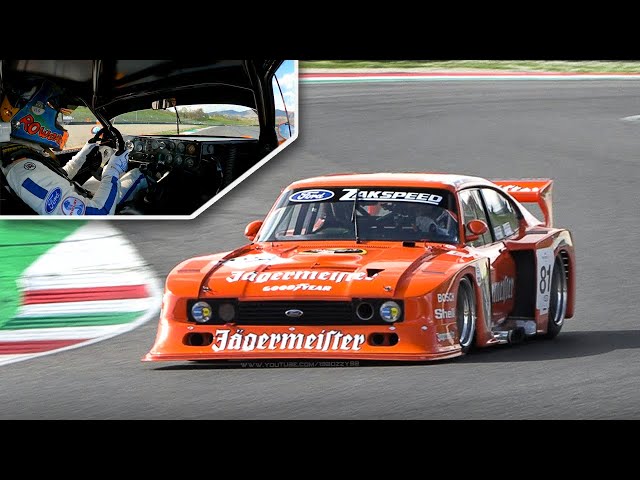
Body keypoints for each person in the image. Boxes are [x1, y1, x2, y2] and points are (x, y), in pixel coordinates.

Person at [0, 80, 146, 215]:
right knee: (137, 175)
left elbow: (57, 177)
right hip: (94, 215)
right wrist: (112, 170)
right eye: (54, 112)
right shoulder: (24, 172)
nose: (58, 121)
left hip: (81, 197)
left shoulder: (19, 159)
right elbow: (99, 214)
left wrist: (83, 154)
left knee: (104, 180)